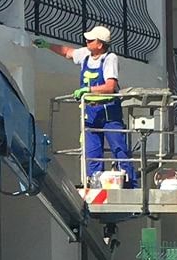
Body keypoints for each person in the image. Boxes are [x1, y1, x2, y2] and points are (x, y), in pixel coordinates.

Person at [47, 26, 137, 188]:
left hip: (109, 111)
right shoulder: (85, 54)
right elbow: (67, 52)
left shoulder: (109, 58)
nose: (87, 42)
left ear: (100, 44)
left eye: (90, 40)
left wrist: (88, 90)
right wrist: (46, 45)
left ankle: (131, 184)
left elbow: (110, 86)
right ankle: (95, 184)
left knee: (119, 148)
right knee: (92, 151)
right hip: (91, 112)